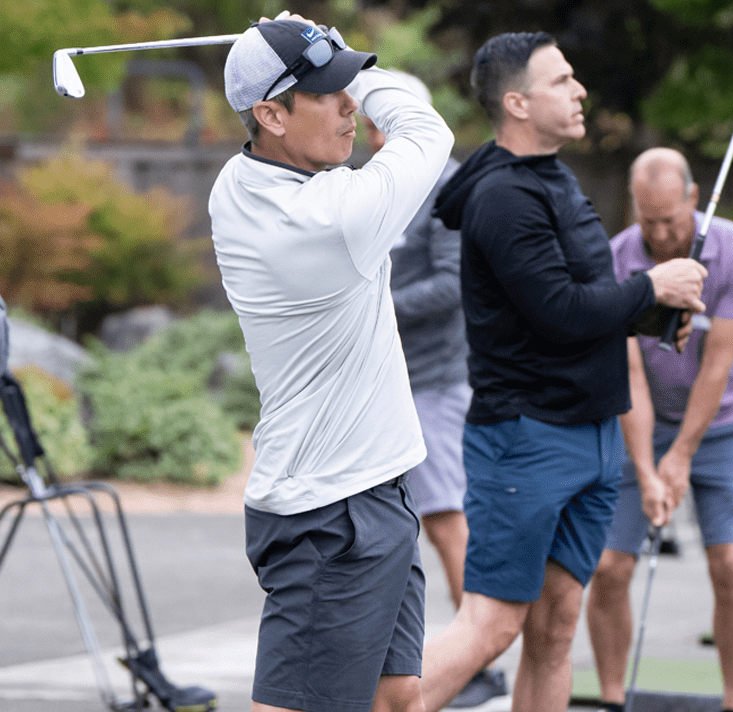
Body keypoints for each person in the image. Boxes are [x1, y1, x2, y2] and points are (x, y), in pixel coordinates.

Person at [417, 33, 707, 712]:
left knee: (555, 629)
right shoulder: (502, 197)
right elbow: (557, 312)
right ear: (517, 103)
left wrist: (646, 312)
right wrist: (651, 290)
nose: (580, 91)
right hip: (527, 439)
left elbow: (574, 298)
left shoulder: (551, 173)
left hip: (592, 432)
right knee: (491, 627)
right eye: (562, 81)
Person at [208, 13, 453, 712]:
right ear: (269, 114)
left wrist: (325, 59)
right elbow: (428, 130)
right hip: (330, 510)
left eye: (350, 87)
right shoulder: (333, 219)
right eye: (330, 93)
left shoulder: (238, 180)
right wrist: (362, 66)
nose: (351, 105)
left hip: (373, 485)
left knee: (398, 694)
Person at [586, 148, 733, 712]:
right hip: (637, 425)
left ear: (694, 198)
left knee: (732, 565)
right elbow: (630, 375)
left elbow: (718, 365)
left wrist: (682, 454)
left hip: (724, 426)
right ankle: (614, 699)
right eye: (647, 220)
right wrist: (646, 468)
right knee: (611, 568)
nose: (660, 234)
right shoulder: (616, 259)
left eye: (671, 218)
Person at [367, 72, 508, 709]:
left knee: (447, 518)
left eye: (375, 122)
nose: (366, 136)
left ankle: (478, 656)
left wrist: (368, 308)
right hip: (390, 382)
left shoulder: (445, 185)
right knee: (410, 523)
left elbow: (453, 287)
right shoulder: (384, 181)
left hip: (437, 381)